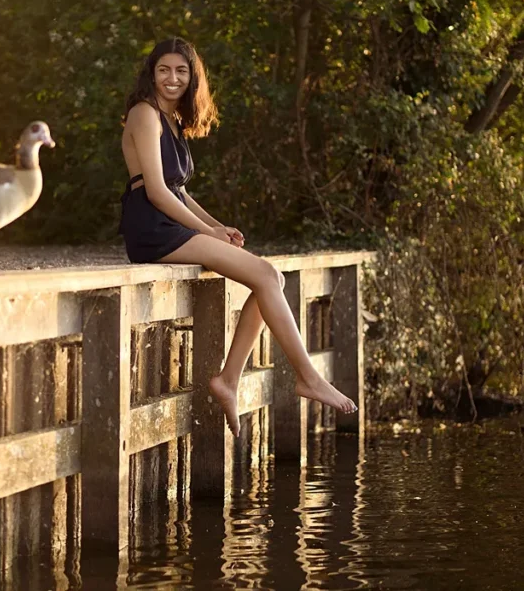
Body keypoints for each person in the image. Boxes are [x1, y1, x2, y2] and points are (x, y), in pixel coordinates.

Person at [118, 37, 357, 437]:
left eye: (181, 71)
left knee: (272, 279)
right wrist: (205, 230)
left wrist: (216, 224)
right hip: (151, 227)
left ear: (193, 77)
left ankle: (228, 380)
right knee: (265, 274)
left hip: (169, 221)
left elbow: (181, 192)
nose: (172, 78)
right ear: (151, 73)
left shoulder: (173, 120)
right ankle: (308, 379)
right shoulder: (144, 113)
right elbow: (157, 191)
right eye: (164, 70)